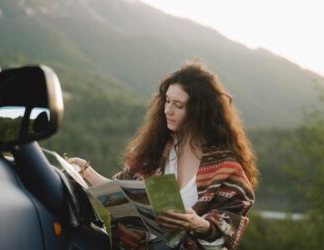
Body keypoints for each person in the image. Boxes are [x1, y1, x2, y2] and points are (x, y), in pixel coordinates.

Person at [67, 61, 258, 250]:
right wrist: (86, 171)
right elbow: (121, 196)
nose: (168, 110)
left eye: (178, 105)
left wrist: (199, 224)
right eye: (167, 101)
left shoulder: (225, 167)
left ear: (200, 110)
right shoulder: (153, 151)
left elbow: (230, 225)